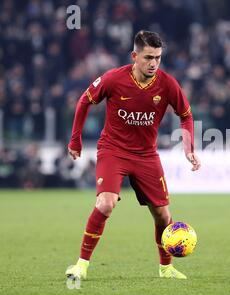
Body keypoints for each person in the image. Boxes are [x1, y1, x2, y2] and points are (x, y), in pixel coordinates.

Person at [65, 31, 201, 281]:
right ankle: (81, 265)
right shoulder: (114, 79)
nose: (154, 63)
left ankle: (166, 268)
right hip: (113, 151)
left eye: (158, 58)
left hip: (146, 155)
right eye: (148, 57)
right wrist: (76, 139)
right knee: (106, 204)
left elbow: (186, 114)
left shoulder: (168, 84)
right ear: (134, 56)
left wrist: (188, 148)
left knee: (163, 215)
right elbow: (84, 101)